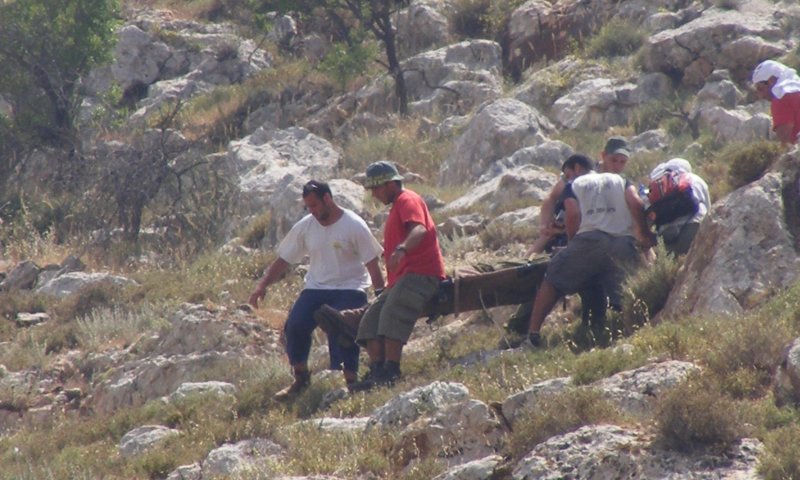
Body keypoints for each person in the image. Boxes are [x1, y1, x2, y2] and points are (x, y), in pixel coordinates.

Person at [248, 180, 384, 401]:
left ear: (327, 199)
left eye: (314, 205)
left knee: (341, 327)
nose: (311, 211)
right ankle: (300, 379)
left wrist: (381, 296)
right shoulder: (306, 226)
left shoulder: (354, 225)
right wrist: (261, 286)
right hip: (316, 288)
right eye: (308, 207)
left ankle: (350, 380)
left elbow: (372, 263)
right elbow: (284, 260)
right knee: (295, 325)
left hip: (350, 288)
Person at [524, 165, 655, 348]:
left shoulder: (574, 184)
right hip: (622, 243)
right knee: (629, 293)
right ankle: (635, 333)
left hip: (589, 240)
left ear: (579, 171)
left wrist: (572, 243)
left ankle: (533, 335)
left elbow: (573, 213)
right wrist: (644, 233)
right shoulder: (620, 180)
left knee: (552, 279)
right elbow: (636, 203)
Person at [347, 160, 446, 392]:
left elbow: (419, 229)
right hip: (402, 278)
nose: (375, 195)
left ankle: (392, 371)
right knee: (371, 319)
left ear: (391, 184)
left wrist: (402, 249)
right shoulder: (396, 207)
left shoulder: (407, 200)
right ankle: (377, 371)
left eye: (377, 188)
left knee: (393, 312)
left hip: (421, 273)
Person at [647, 158, 711, 256]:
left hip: (667, 238)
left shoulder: (657, 186)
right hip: (693, 228)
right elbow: (709, 210)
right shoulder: (693, 178)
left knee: (675, 264)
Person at [752, 59, 800, 144]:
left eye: (760, 89)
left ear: (772, 80)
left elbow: (785, 144)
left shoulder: (780, 98)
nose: (760, 96)